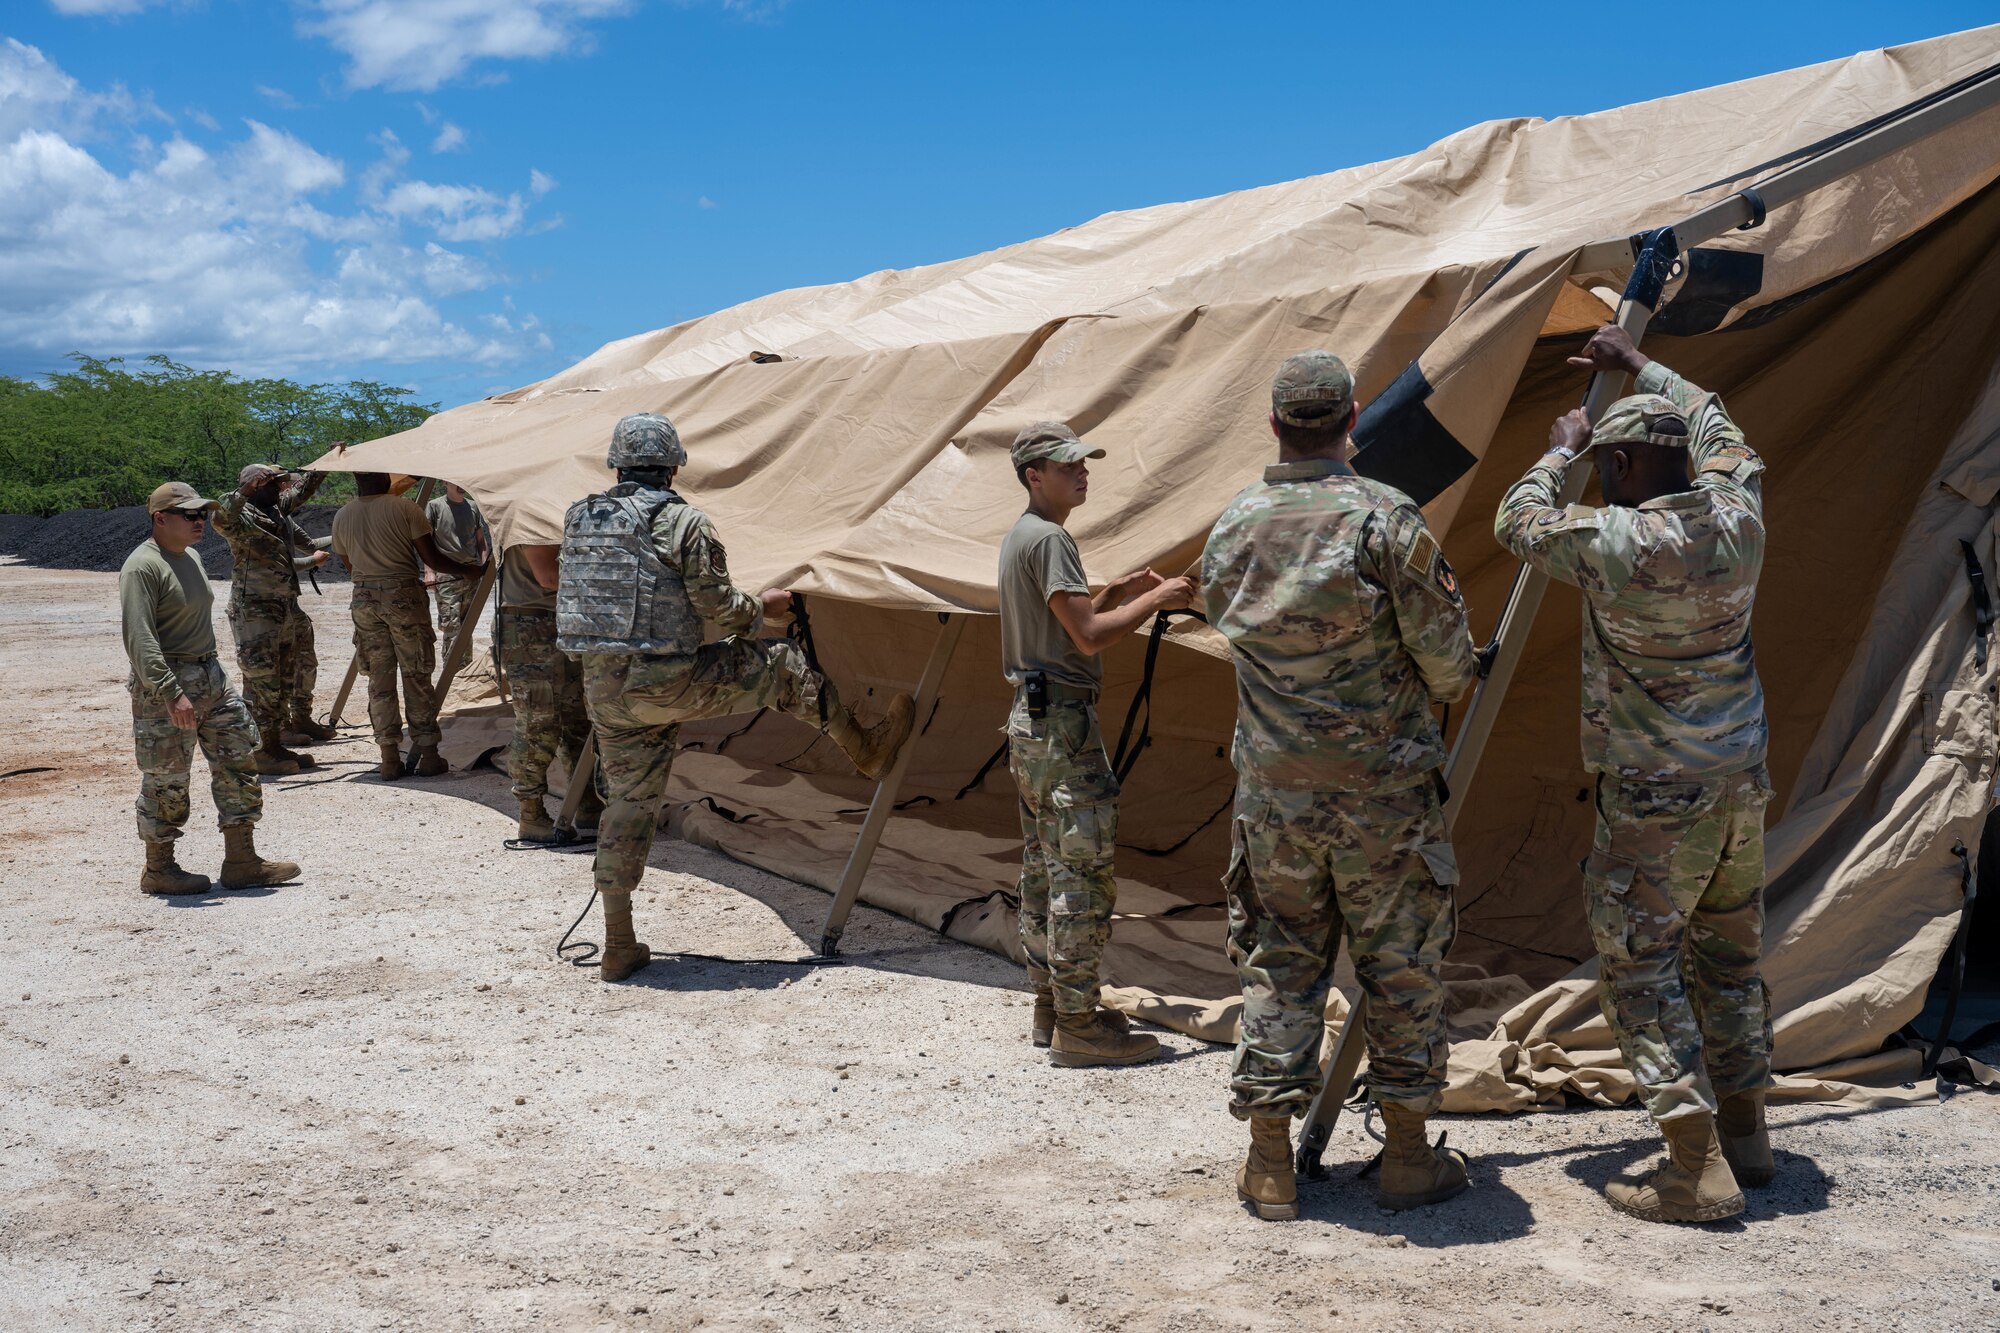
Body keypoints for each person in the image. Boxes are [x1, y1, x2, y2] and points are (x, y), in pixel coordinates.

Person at [1494, 323, 1773, 1224]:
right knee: (1728, 962)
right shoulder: (1741, 518)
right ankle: (1748, 1133)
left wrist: (1557, 453)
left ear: (1614, 471)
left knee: (1639, 968)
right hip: (1739, 786)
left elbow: (1515, 521)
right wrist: (1640, 366)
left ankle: (1694, 1164)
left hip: (1657, 799)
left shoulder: (1612, 541)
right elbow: (1716, 421)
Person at [1200, 352, 1479, 1221]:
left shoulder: (1232, 524)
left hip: (1275, 801)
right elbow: (1448, 667)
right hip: (1382, 802)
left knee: (1278, 967)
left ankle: (1271, 1163)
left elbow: (1224, 626)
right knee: (1400, 971)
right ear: (1353, 418)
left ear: (1275, 424)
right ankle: (1404, 1157)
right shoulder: (1385, 517)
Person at [558, 412, 917, 982]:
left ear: (617, 464)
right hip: (665, 681)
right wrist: (765, 609)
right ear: (674, 466)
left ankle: (618, 941)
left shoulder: (582, 518)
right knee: (781, 666)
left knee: (626, 804)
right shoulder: (682, 521)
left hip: (604, 689)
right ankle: (866, 749)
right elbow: (719, 608)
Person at [999, 420, 1194, 1068]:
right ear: (1034, 475)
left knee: (1042, 866)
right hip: (1063, 729)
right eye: (1067, 465)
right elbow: (1086, 636)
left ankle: (1052, 1005)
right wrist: (1159, 598)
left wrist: (1117, 592)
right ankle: (1080, 1024)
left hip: (1031, 725)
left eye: (1083, 462)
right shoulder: (1051, 539)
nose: (1082, 472)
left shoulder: (1023, 536)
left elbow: (1064, 620)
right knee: (1080, 873)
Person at [121, 482, 300, 895]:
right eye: (190, 515)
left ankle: (242, 861)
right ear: (160, 518)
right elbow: (139, 637)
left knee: (239, 761)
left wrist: (214, 680)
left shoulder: (193, 557)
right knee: (167, 777)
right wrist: (169, 691)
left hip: (211, 678)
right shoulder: (142, 566)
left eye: (202, 513)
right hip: (168, 683)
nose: (200, 521)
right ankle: (159, 869)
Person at [330, 468, 487, 780]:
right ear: (385, 478)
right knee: (416, 674)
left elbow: (348, 563)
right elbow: (432, 558)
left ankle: (389, 757)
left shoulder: (342, 515)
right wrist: (470, 571)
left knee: (379, 679)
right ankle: (428, 754)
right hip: (403, 597)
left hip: (363, 599)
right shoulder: (405, 508)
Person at [211, 463, 332, 776]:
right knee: (262, 681)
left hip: (281, 606)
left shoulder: (276, 509)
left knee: (281, 678)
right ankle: (261, 751)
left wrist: (323, 466)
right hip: (254, 608)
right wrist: (245, 490)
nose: (281, 489)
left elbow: (302, 491)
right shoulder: (242, 511)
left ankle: (274, 743)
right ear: (255, 485)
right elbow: (221, 519)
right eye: (274, 484)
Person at [499, 542, 600, 840]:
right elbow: (548, 577)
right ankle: (531, 813)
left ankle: (588, 804)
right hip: (532, 626)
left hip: (557, 623)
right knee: (537, 722)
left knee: (578, 719)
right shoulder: (534, 511)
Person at [425, 482, 491, 650]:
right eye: (456, 482)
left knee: (467, 628)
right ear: (445, 482)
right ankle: (452, 674)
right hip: (447, 576)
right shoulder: (435, 506)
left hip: (471, 575)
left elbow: (481, 540)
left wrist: (483, 568)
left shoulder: (473, 507)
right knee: (452, 629)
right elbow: (427, 543)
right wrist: (429, 572)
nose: (461, 486)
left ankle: (463, 672)